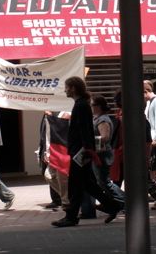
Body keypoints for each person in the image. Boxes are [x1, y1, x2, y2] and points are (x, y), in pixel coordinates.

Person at [52, 76, 123, 227]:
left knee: (76, 185)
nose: (64, 90)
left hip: (80, 153)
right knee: (87, 184)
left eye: (66, 87)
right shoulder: (81, 105)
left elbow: (85, 131)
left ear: (73, 88)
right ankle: (113, 205)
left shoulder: (81, 106)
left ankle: (71, 216)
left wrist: (86, 152)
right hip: (80, 152)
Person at [90, 94, 125, 205]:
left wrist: (89, 140)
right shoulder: (96, 118)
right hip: (98, 154)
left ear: (99, 106)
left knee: (105, 182)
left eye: (92, 105)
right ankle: (118, 201)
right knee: (102, 182)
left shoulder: (103, 119)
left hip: (102, 154)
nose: (90, 107)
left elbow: (104, 137)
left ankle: (124, 200)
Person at [38, 111, 70, 210]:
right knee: (49, 175)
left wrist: (54, 119)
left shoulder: (65, 114)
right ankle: (67, 198)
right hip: (52, 150)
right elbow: (46, 134)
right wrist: (45, 149)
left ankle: (66, 202)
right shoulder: (47, 115)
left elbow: (60, 133)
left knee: (62, 178)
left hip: (62, 151)